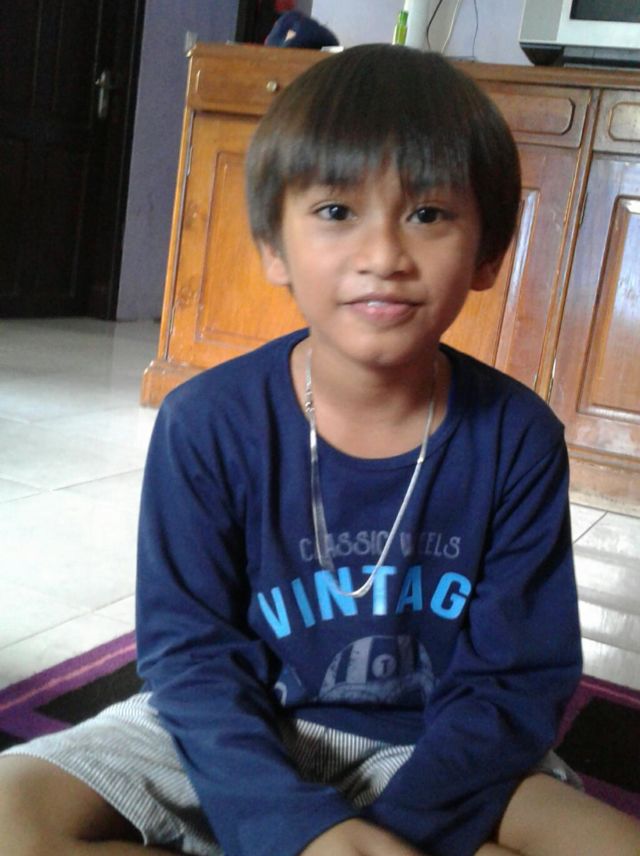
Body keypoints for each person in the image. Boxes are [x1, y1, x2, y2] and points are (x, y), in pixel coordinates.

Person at [0, 44, 638, 856]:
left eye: (428, 214)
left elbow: (513, 685)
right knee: (12, 816)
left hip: (436, 746)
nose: (384, 256)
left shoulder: (518, 437)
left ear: (487, 254)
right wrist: (295, 831)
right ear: (274, 246)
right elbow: (192, 659)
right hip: (234, 729)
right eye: (337, 211)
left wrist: (391, 832)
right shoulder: (205, 423)